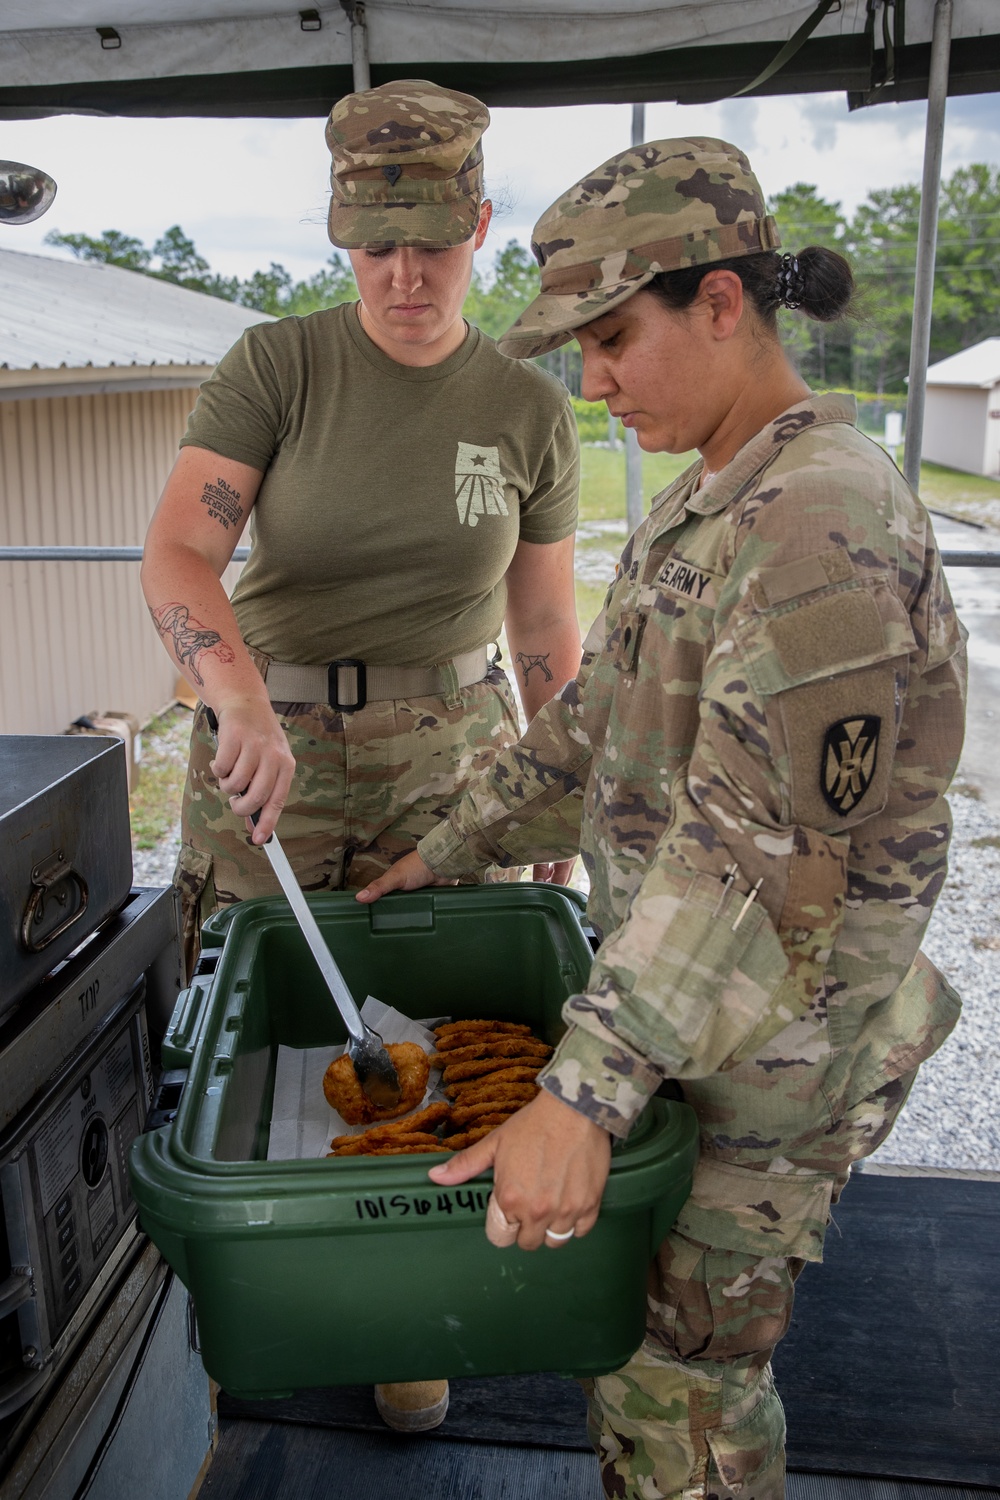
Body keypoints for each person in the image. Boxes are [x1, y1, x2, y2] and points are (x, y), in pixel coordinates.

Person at [356, 137, 967, 1499]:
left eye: (615, 336)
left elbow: (754, 852)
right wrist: (443, 851)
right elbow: (594, 724)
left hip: (770, 1056)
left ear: (725, 304)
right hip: (693, 1023)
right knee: (637, 1355)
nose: (593, 381)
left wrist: (584, 1090)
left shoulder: (818, 525)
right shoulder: (714, 497)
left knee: (687, 1387)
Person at [141, 77, 581, 985]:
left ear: (482, 225)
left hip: (457, 761)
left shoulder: (529, 406)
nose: (404, 276)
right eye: (377, 246)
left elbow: (540, 621)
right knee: (251, 1004)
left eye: (433, 244)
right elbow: (182, 554)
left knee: (456, 1014)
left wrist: (560, 782)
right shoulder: (278, 366)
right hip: (271, 750)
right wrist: (239, 700)